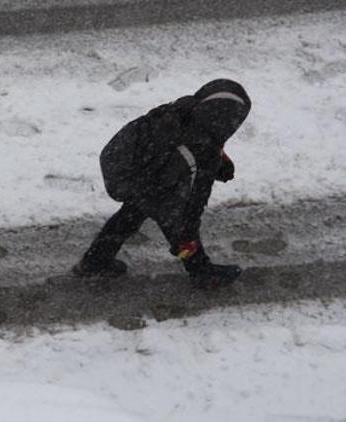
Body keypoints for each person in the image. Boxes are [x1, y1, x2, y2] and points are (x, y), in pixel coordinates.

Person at [73, 79, 251, 289]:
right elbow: (193, 203)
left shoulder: (183, 111)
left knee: (136, 209)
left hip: (120, 160)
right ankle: (200, 271)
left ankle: (95, 261)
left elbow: (186, 144)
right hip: (135, 174)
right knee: (174, 218)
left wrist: (219, 159)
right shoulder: (201, 150)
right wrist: (185, 228)